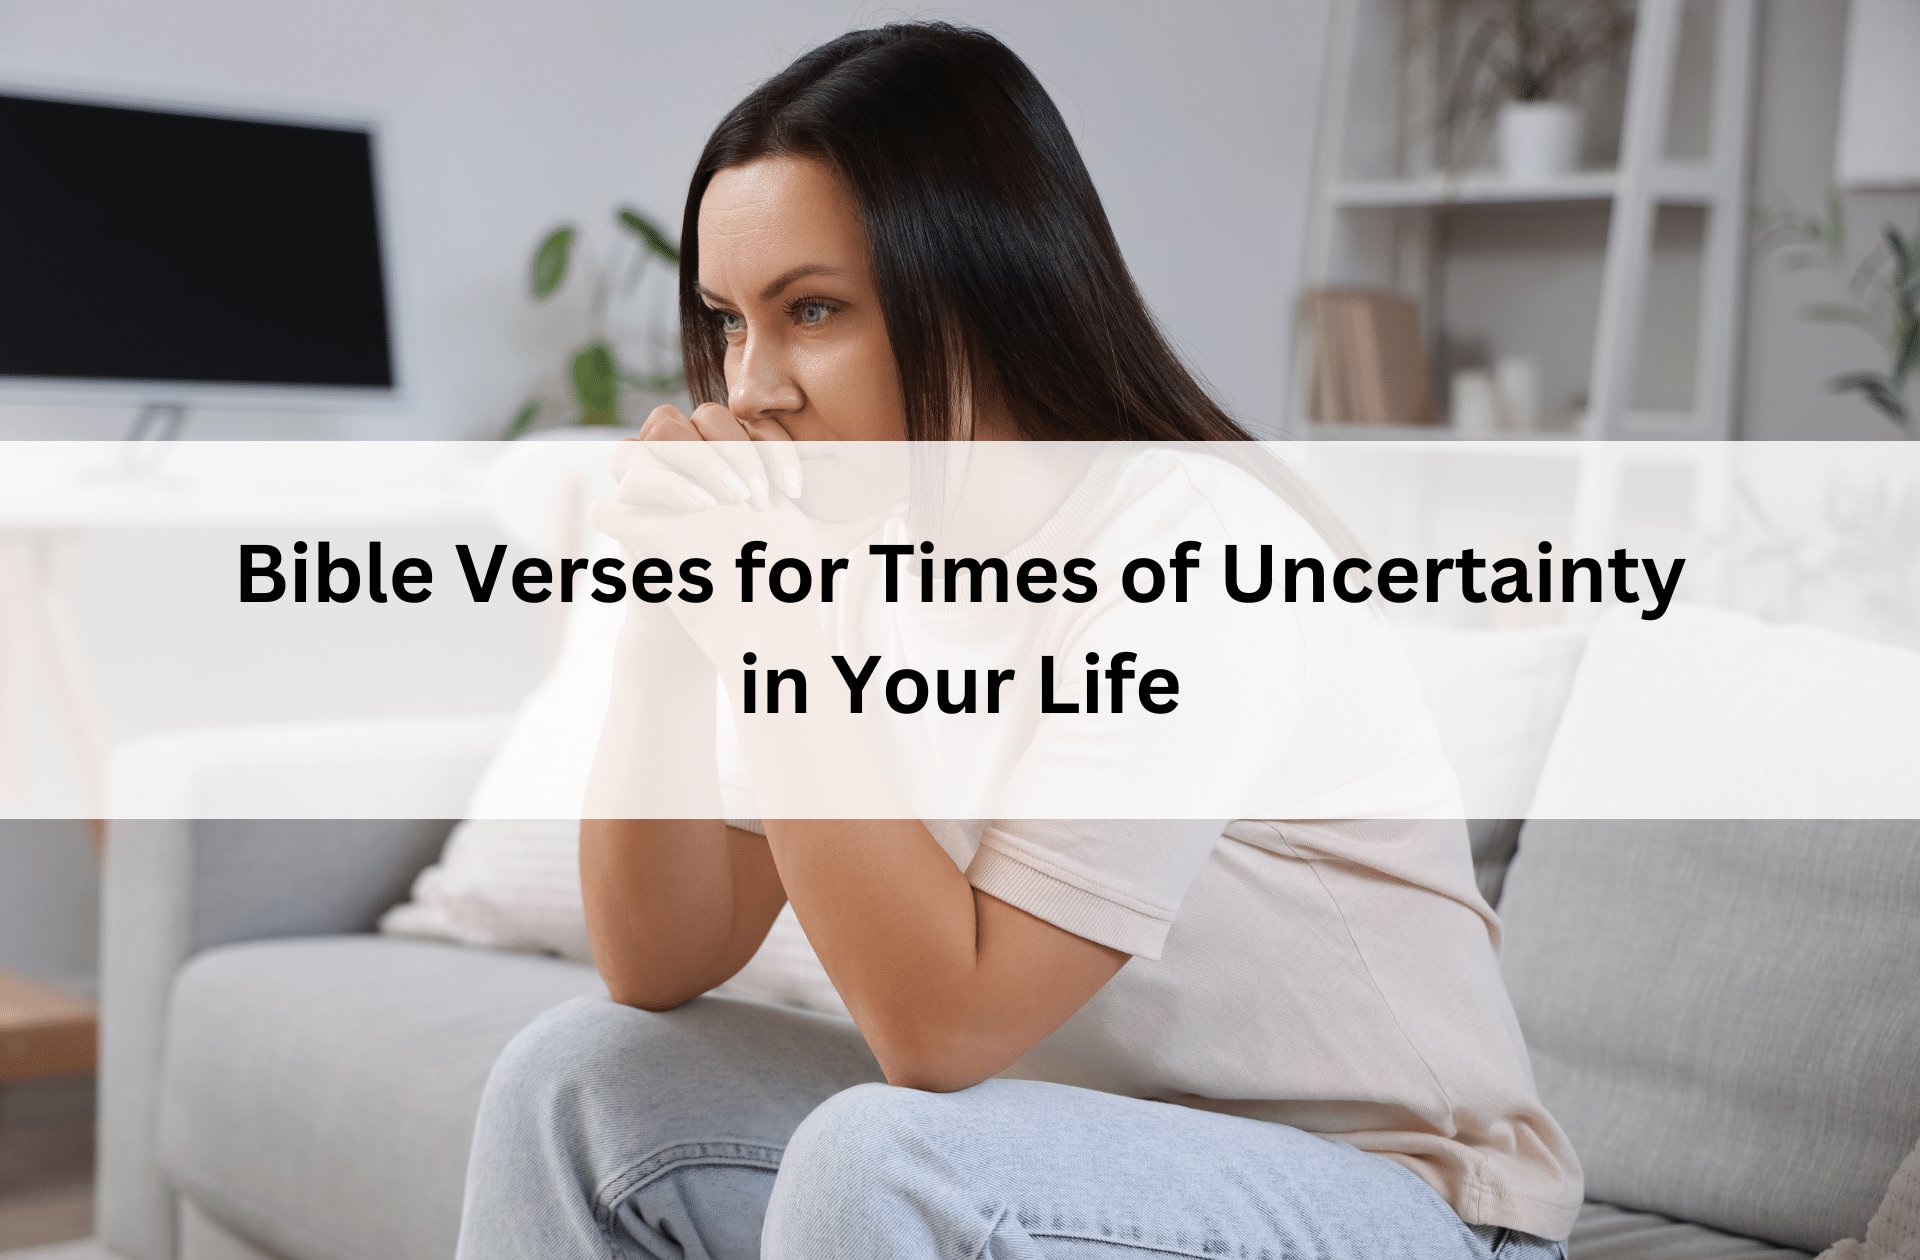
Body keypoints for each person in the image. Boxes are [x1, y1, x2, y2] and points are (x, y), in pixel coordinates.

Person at [455, 22, 1581, 1260]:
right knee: (584, 1077)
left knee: (883, 1153)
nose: (751, 384)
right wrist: (672, 625)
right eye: (729, 322)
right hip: (1071, 1152)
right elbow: (657, 961)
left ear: (981, 293)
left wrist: (772, 625)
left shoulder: (1195, 544)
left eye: (812, 310)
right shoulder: (864, 539)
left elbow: (940, 1032)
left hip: (1398, 1204)